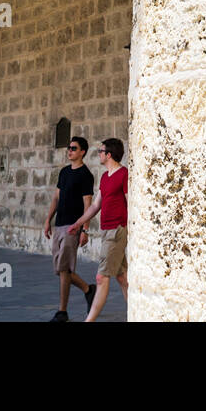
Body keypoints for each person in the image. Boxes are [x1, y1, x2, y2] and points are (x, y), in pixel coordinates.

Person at [69, 137, 127, 322]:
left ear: (109, 154)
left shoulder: (123, 174)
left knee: (101, 277)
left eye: (101, 152)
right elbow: (95, 206)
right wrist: (78, 223)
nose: (99, 155)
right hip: (106, 230)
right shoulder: (104, 177)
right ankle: (139, 314)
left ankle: (89, 320)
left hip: (117, 230)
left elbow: (131, 202)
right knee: (122, 277)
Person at [44, 135, 95, 321]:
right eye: (69, 148)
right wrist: (48, 219)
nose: (69, 151)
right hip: (59, 225)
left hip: (73, 227)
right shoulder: (64, 172)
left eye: (73, 148)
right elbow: (56, 198)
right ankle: (88, 290)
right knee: (60, 269)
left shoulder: (86, 175)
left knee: (64, 269)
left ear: (82, 152)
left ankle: (62, 312)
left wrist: (84, 230)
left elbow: (87, 204)